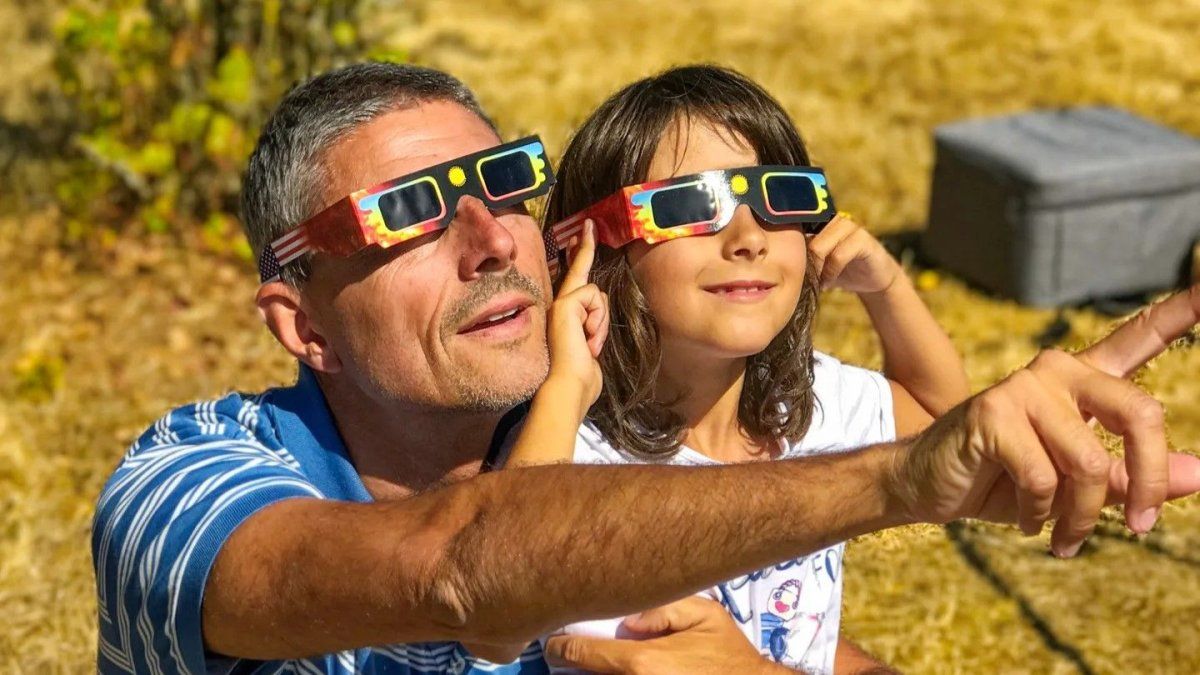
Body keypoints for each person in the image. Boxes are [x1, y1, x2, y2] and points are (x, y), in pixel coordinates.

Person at [91, 61, 1200, 675]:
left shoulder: (609, 433)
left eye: (506, 183)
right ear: (303, 325)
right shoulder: (183, 488)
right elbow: (469, 570)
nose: (493, 240)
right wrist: (902, 477)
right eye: (408, 215)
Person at [497, 64, 970, 674]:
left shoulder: (801, 402)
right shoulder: (574, 448)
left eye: (783, 197)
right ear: (591, 246)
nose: (749, 237)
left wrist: (887, 287)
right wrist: (565, 387)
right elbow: (504, 576)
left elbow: (944, 425)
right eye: (692, 204)